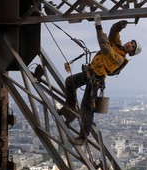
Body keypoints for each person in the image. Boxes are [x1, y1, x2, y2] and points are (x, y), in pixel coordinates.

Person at [59, 15, 142, 145]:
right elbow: (114, 32)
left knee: (87, 107)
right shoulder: (117, 45)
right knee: (70, 82)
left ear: (131, 53)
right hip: (89, 73)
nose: (129, 44)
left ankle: (82, 137)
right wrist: (121, 24)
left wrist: (98, 26)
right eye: (131, 42)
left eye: (132, 46)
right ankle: (70, 108)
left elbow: (105, 46)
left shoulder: (119, 58)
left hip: (95, 80)